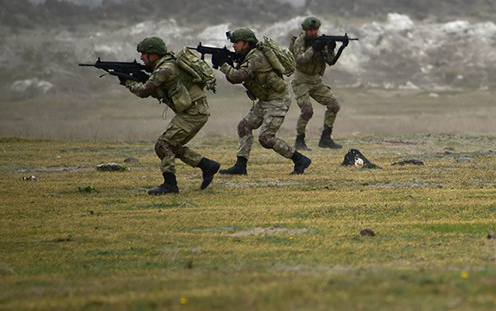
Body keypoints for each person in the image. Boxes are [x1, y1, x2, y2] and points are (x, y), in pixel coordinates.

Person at [123, 36, 220, 195]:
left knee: (163, 145)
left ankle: (170, 185)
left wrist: (128, 82)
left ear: (154, 55)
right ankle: (207, 165)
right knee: (172, 145)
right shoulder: (167, 65)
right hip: (195, 111)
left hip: (194, 112)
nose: (141, 57)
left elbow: (143, 92)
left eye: (144, 54)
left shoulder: (164, 69)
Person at [215, 28, 311, 175]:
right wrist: (227, 64)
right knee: (244, 127)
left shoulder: (256, 57)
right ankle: (241, 166)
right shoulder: (247, 57)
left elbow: (238, 76)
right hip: (265, 100)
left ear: (246, 43)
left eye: (236, 42)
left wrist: (223, 65)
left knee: (266, 138)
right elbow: (235, 78)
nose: (233, 45)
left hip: (278, 100)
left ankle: (300, 160)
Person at [290, 16, 344, 150]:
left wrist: (332, 48)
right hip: (301, 80)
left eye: (315, 30)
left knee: (334, 105)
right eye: (310, 30)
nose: (313, 32)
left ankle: (326, 138)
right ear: (305, 30)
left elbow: (330, 61)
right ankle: (299, 140)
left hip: (315, 80)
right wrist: (314, 48)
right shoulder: (299, 41)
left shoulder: (321, 41)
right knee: (307, 111)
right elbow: (300, 60)